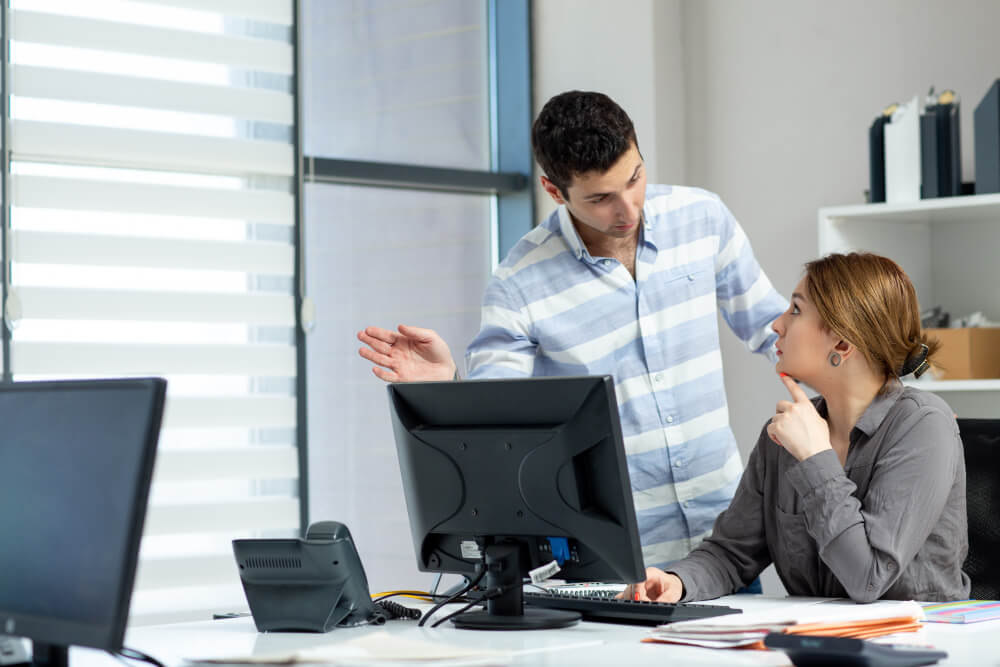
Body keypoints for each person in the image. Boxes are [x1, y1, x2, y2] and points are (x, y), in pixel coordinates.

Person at [358, 90, 788, 569]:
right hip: (617, 556)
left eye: (635, 178)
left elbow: (778, 334)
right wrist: (450, 389)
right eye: (601, 198)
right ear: (554, 190)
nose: (628, 209)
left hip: (725, 543)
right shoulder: (519, 283)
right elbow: (502, 422)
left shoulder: (703, 219)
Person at [624, 252, 970, 603]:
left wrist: (815, 458)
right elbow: (731, 553)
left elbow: (867, 579)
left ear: (842, 343)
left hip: (922, 645)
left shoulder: (922, 425)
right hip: (819, 640)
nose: (777, 324)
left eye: (796, 310)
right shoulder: (783, 436)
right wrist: (676, 581)